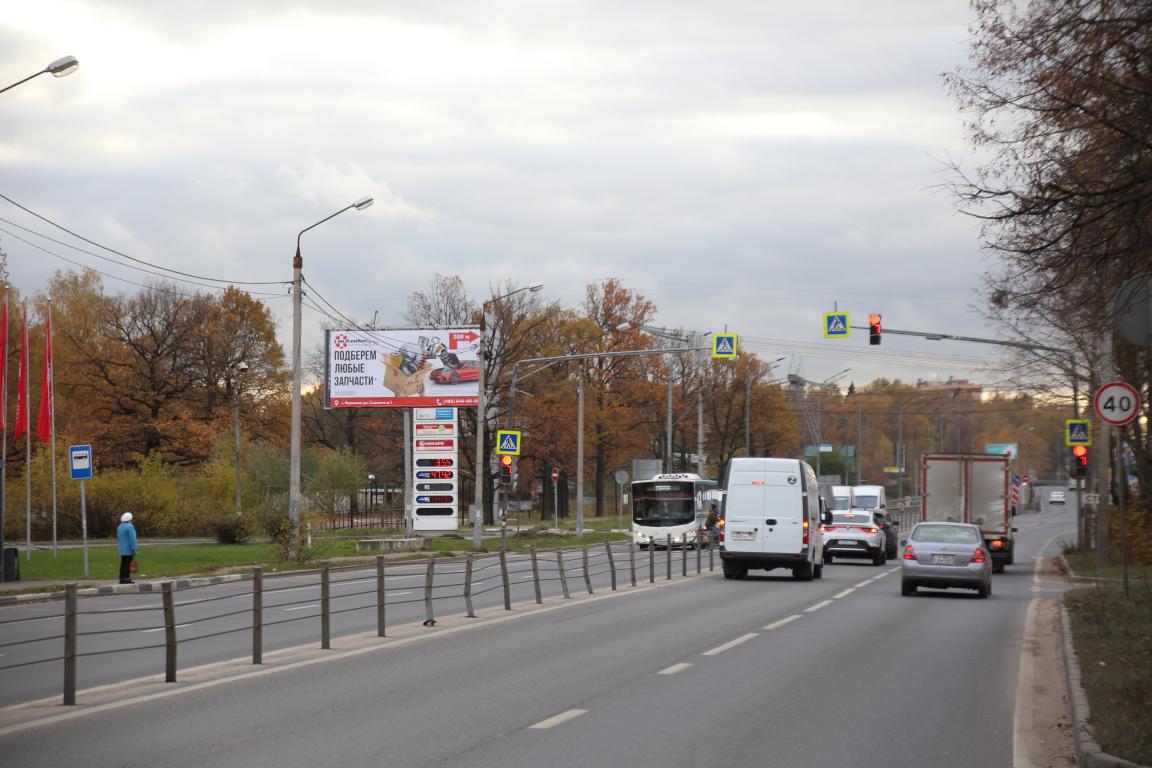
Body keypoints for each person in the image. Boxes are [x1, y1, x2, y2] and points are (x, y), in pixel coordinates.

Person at [117, 512, 138, 584]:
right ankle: (127, 578)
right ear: (129, 519)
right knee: (128, 563)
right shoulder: (130, 526)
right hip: (129, 549)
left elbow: (118, 538)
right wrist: (134, 549)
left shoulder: (120, 527)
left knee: (123, 563)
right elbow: (132, 538)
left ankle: (122, 578)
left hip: (122, 549)